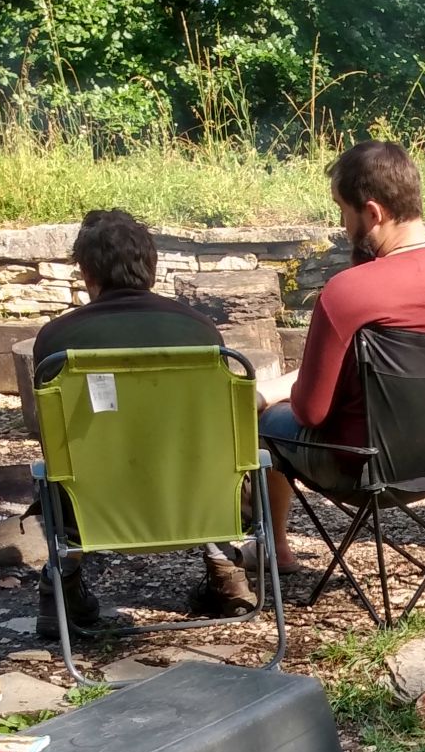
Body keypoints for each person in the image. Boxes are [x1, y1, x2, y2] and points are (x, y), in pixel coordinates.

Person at [256, 141, 425, 573]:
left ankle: (275, 549)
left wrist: (275, 392)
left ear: (372, 213)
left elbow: (310, 413)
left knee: (262, 424)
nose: (341, 224)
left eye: (342, 211)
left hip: (364, 470)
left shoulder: (347, 293)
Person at [30, 209, 262, 632]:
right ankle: (225, 567)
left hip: (91, 510)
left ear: (87, 273)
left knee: (57, 471)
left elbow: (54, 441)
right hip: (196, 500)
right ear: (151, 267)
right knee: (208, 452)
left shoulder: (57, 341)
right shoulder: (200, 332)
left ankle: (62, 583)